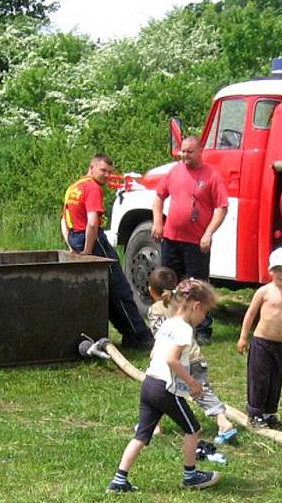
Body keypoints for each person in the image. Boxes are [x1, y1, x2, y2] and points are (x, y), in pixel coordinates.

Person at [106, 278, 221, 493]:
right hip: (165, 389)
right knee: (193, 428)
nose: (204, 316)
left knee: (141, 436)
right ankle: (190, 476)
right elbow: (172, 360)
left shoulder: (167, 324)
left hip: (148, 383)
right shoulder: (184, 329)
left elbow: (153, 353)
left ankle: (119, 480)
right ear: (196, 306)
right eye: (205, 311)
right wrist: (193, 383)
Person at [62, 153, 153, 349]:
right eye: (103, 170)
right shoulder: (92, 188)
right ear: (92, 167)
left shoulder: (73, 187)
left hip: (76, 237)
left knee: (105, 289)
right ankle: (140, 336)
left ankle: (128, 334)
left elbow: (63, 219)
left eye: (110, 172)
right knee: (119, 287)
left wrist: (71, 243)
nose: (106, 175)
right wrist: (87, 249)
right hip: (92, 240)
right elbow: (93, 223)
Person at [147, 266, 238, 445]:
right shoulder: (183, 307)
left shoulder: (157, 310)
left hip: (176, 359)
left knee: (161, 390)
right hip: (194, 357)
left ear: (151, 291)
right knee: (201, 391)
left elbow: (159, 335)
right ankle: (222, 420)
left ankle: (154, 425)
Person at [152, 136, 228, 345]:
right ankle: (167, 323)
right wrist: (158, 222)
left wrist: (209, 233)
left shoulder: (212, 176)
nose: (184, 155)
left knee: (197, 287)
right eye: (182, 151)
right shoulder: (174, 171)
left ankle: (202, 329)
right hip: (171, 238)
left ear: (200, 151)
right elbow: (159, 196)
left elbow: (221, 208)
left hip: (196, 242)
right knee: (168, 283)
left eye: (189, 152)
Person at [236, 247, 282, 430]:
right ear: (271, 271)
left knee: (275, 378)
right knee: (259, 378)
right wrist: (244, 337)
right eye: (279, 270)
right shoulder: (264, 291)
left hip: (279, 344)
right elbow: (251, 314)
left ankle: (268, 413)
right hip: (261, 343)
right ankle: (255, 412)